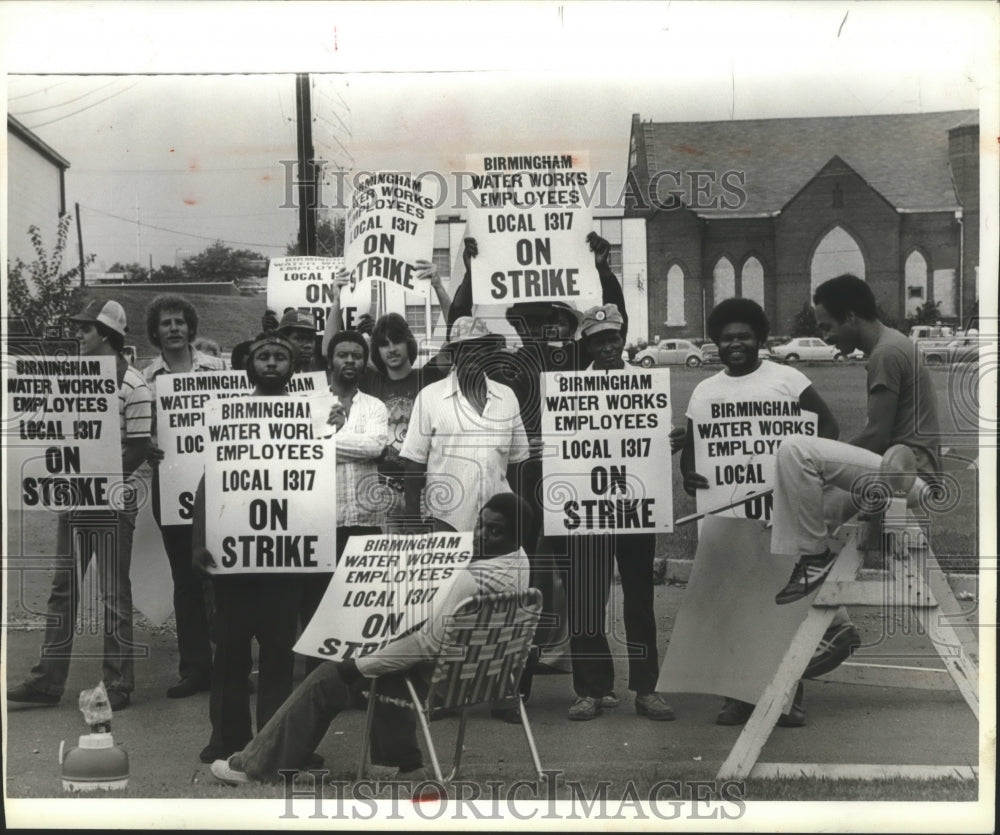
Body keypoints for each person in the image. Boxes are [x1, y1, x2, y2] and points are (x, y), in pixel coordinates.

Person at [209, 493, 532, 787]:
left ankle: (255, 766)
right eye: (480, 525)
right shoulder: (520, 564)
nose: (480, 535)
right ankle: (404, 766)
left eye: (494, 531)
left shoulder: (469, 580)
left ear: (516, 535)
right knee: (384, 663)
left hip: (436, 686)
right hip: (483, 680)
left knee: (329, 677)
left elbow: (425, 645)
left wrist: (360, 664)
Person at [678, 297, 843, 726]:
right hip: (725, 510)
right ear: (716, 343)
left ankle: (789, 694)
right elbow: (695, 451)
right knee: (732, 604)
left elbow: (827, 428)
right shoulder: (705, 390)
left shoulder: (787, 378)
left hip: (779, 509)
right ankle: (737, 696)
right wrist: (688, 476)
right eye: (727, 338)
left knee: (779, 602)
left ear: (759, 339)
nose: (736, 344)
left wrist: (806, 478)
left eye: (744, 336)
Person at [8, 300, 152, 711]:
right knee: (61, 589)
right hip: (75, 496)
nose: (78, 335)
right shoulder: (73, 377)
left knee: (112, 594)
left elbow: (139, 446)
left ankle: (119, 683)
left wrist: (97, 477)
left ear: (106, 335)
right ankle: (46, 682)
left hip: (111, 500)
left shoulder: (134, 384)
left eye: (86, 329)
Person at [772, 274, 939, 604]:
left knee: (794, 449)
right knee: (810, 509)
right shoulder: (892, 344)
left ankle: (815, 560)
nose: (826, 336)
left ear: (850, 316)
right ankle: (834, 630)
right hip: (900, 475)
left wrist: (822, 467)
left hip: (907, 477)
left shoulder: (887, 353)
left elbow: (876, 435)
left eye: (826, 326)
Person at [191, 331, 305, 763]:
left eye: (280, 356)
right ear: (250, 365)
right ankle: (226, 739)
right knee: (231, 654)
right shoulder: (231, 416)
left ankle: (273, 742)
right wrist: (200, 539)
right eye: (264, 356)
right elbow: (211, 478)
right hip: (235, 556)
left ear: (292, 367)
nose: (272, 362)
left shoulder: (308, 417)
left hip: (287, 556)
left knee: (279, 656)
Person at [560, 303, 674, 723]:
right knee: (587, 600)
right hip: (587, 510)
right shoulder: (570, 390)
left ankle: (647, 689)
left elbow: (655, 441)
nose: (607, 346)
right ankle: (591, 689)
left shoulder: (644, 385)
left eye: (613, 338)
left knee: (639, 601)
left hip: (635, 509)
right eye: (598, 340)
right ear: (587, 344)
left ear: (622, 340)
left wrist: (669, 442)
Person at [141, 294, 226, 698]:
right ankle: (195, 668)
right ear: (155, 332)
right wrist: (148, 445)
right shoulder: (145, 377)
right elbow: (136, 430)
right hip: (172, 483)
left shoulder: (218, 368)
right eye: (165, 323)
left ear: (190, 327)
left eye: (179, 322)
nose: (173, 328)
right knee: (185, 578)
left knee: (222, 574)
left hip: (219, 482)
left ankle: (230, 663)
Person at [299, 331, 388, 671]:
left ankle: (357, 680)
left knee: (360, 605)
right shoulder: (311, 404)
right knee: (319, 605)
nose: (349, 360)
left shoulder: (375, 406)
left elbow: (377, 446)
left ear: (364, 361)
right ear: (330, 360)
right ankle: (316, 679)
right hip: (322, 520)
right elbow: (303, 453)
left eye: (356, 355)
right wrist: (343, 441)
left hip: (364, 521)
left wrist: (331, 437)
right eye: (342, 355)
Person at [399, 317, 530, 534]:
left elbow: (517, 465)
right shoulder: (430, 397)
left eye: (479, 348)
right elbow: (413, 465)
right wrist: (413, 523)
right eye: (463, 349)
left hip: (498, 530)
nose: (472, 355)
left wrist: (518, 520)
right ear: (454, 355)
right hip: (445, 525)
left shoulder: (507, 397)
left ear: (489, 353)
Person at [358, 313, 445, 531]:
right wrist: (338, 300)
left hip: (426, 492)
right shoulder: (371, 381)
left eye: (397, 341)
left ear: (409, 343)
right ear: (376, 350)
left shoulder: (427, 377)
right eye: (384, 344)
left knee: (427, 561)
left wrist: (438, 286)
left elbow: (456, 342)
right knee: (391, 562)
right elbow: (328, 351)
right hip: (383, 492)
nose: (392, 349)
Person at [277, 309, 322, 373]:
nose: (308, 345)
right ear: (282, 340)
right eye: (299, 338)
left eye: (311, 339)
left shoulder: (319, 374)